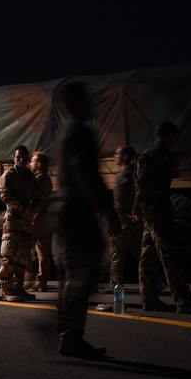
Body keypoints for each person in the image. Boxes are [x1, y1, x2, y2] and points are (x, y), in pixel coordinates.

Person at [49, 82, 121, 359]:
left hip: (63, 208)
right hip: (77, 210)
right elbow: (86, 174)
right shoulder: (80, 132)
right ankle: (69, 333)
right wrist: (107, 209)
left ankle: (64, 329)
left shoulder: (63, 132)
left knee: (70, 274)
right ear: (78, 103)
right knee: (86, 272)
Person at [133, 122, 191, 314]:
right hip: (158, 210)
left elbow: (140, 184)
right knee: (170, 254)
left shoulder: (147, 155)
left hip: (150, 210)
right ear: (168, 136)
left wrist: (138, 207)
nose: (175, 140)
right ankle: (183, 300)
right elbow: (144, 184)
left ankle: (149, 299)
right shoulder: (161, 155)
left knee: (148, 254)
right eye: (174, 136)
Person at [0, 145, 38, 302]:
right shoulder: (8, 175)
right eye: (18, 156)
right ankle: (7, 290)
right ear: (14, 158)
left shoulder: (30, 176)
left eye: (24, 156)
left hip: (26, 219)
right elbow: (4, 196)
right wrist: (23, 208)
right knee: (8, 254)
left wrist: (33, 209)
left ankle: (19, 288)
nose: (21, 159)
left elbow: (37, 195)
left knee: (23, 255)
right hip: (13, 218)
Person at [108, 145, 142, 290]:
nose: (115, 156)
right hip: (131, 217)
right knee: (138, 250)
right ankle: (155, 281)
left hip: (123, 218)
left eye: (118, 153)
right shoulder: (134, 172)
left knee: (116, 252)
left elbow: (120, 200)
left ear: (126, 157)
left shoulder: (126, 174)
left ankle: (115, 284)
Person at [26, 151, 53, 292]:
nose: (30, 163)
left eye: (33, 161)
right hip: (45, 217)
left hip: (36, 217)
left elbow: (33, 198)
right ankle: (42, 282)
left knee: (25, 247)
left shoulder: (38, 179)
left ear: (39, 164)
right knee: (43, 252)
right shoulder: (46, 179)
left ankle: (26, 279)